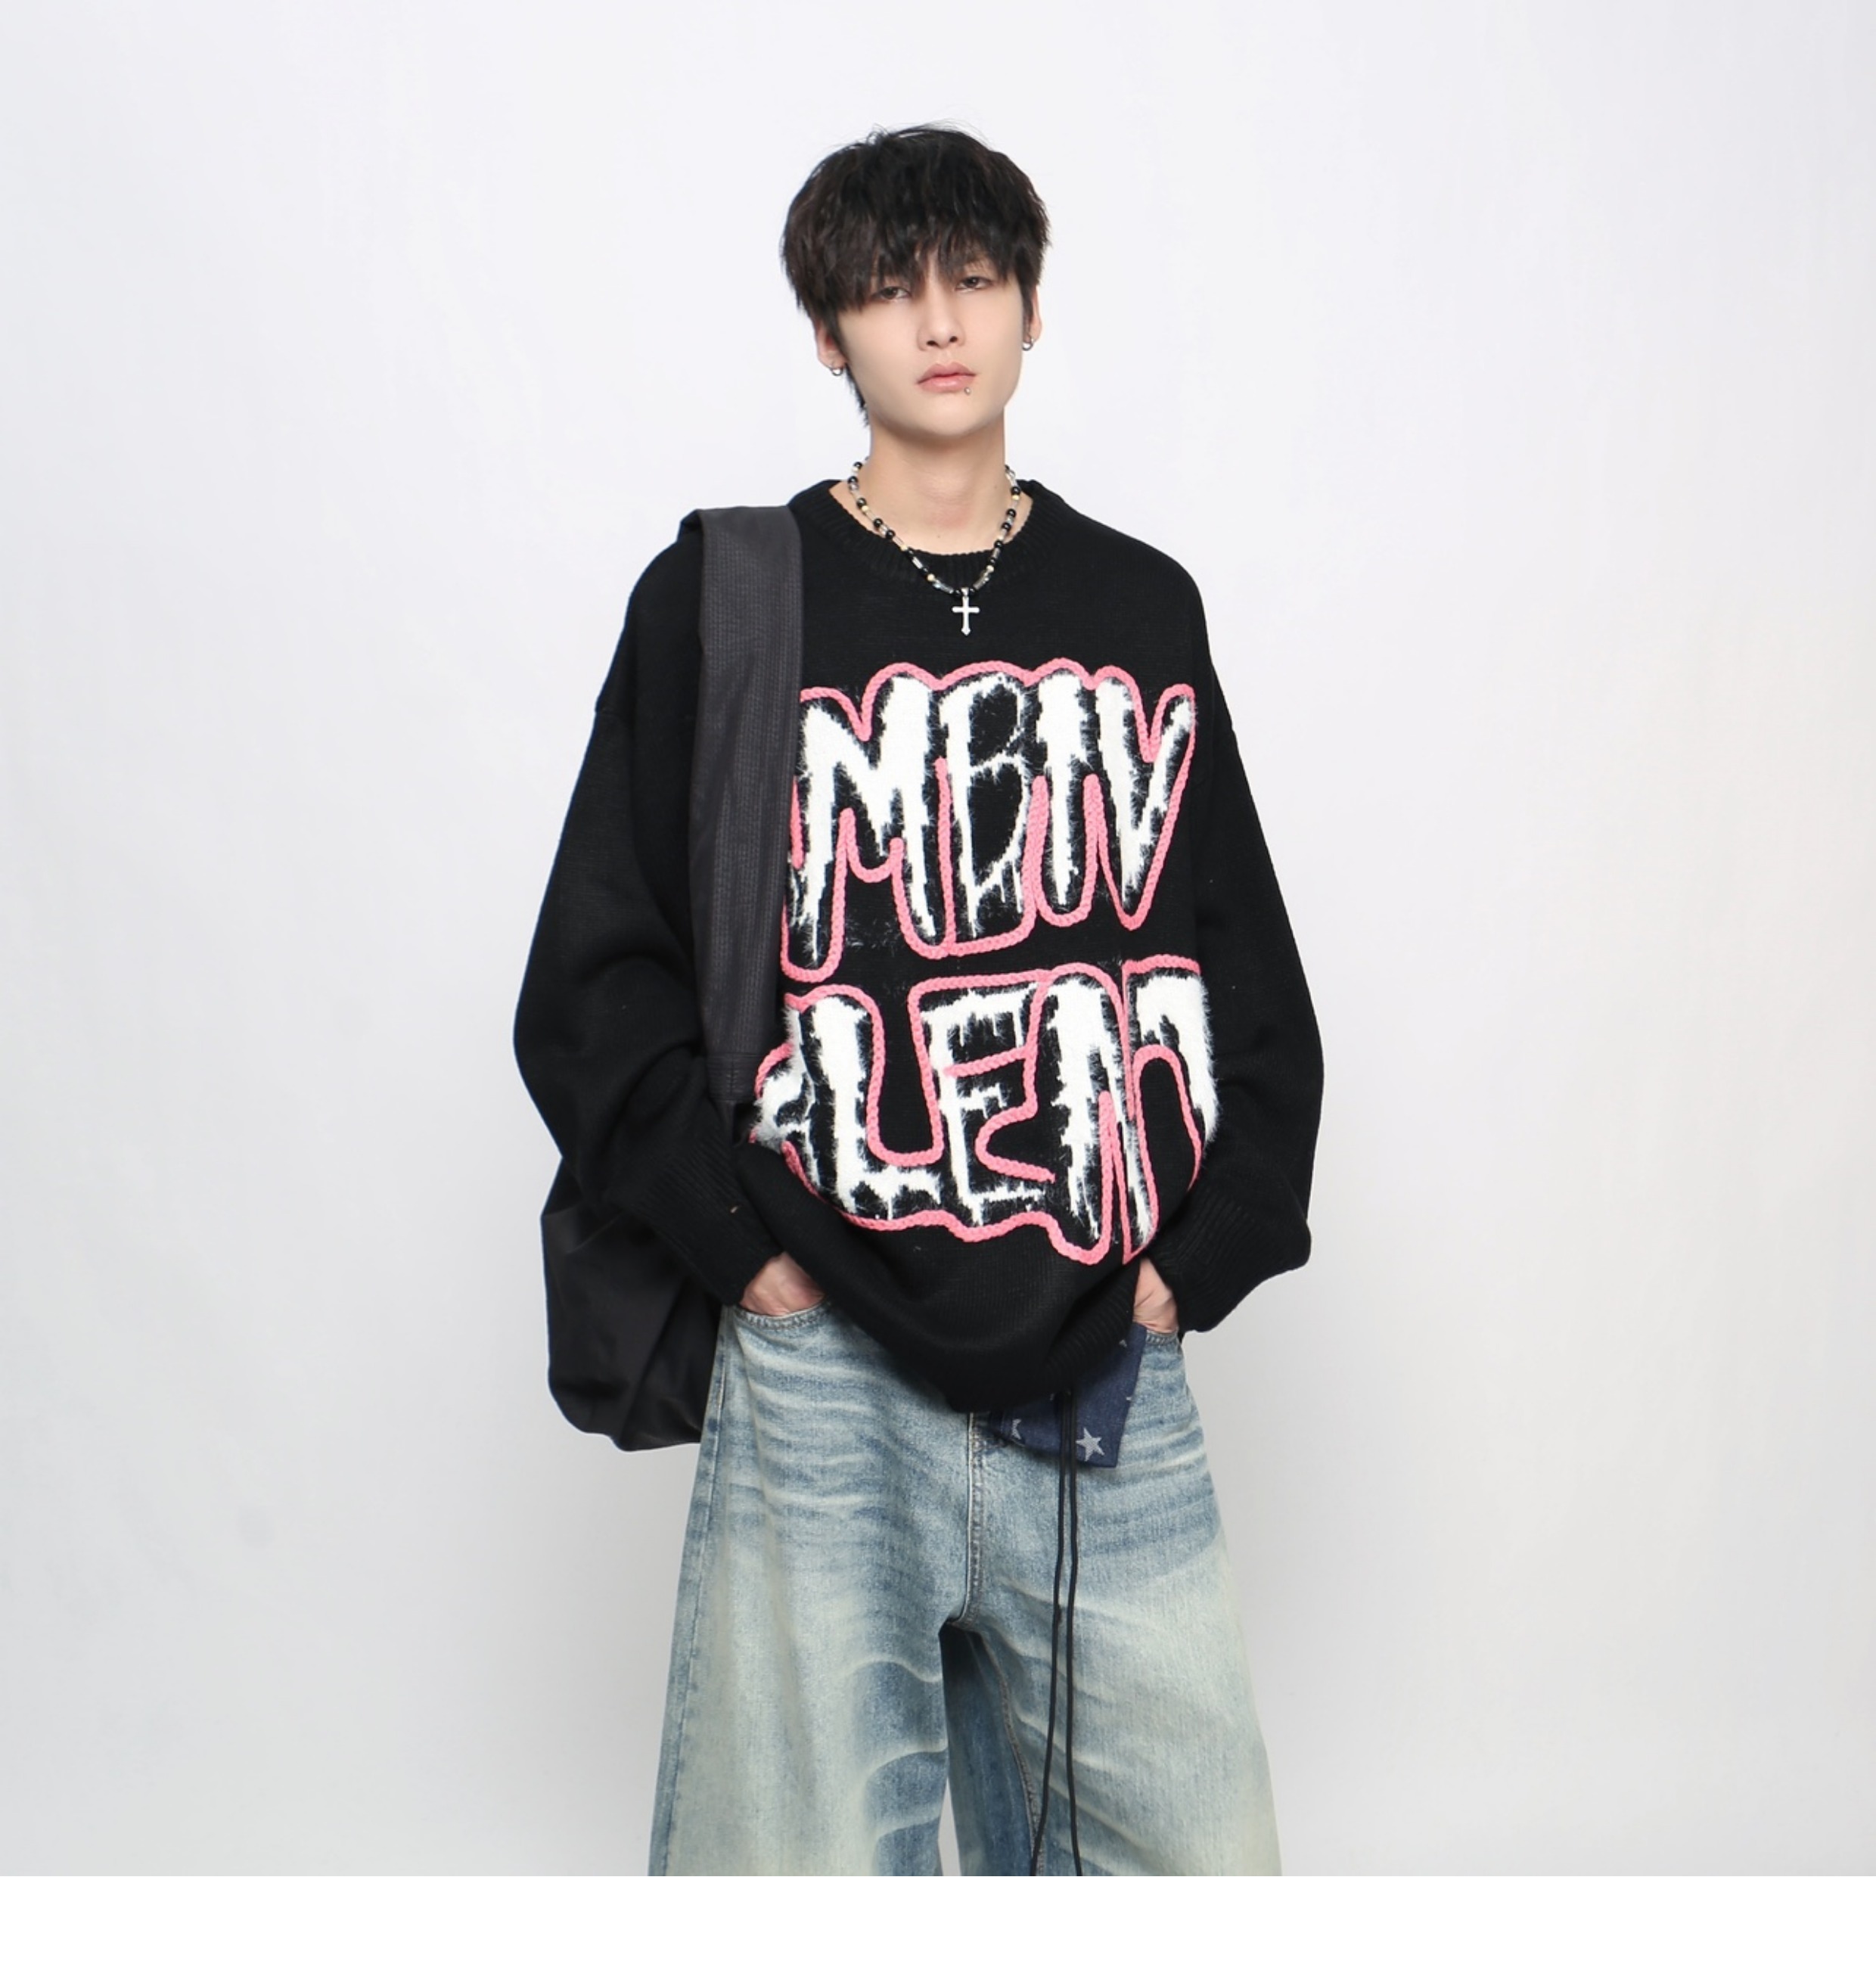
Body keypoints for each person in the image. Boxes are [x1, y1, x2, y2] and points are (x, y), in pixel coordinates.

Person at [514, 123, 1322, 1875]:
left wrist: (1197, 1260)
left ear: (1030, 305)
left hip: (1106, 1368)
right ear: (829, 334)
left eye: (974, 277)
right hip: (825, 1367)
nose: (938, 321)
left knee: (1198, 1871)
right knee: (797, 1881)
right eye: (888, 289)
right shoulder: (726, 602)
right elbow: (593, 978)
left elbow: (1239, 958)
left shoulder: (1138, 605)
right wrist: (752, 1255)